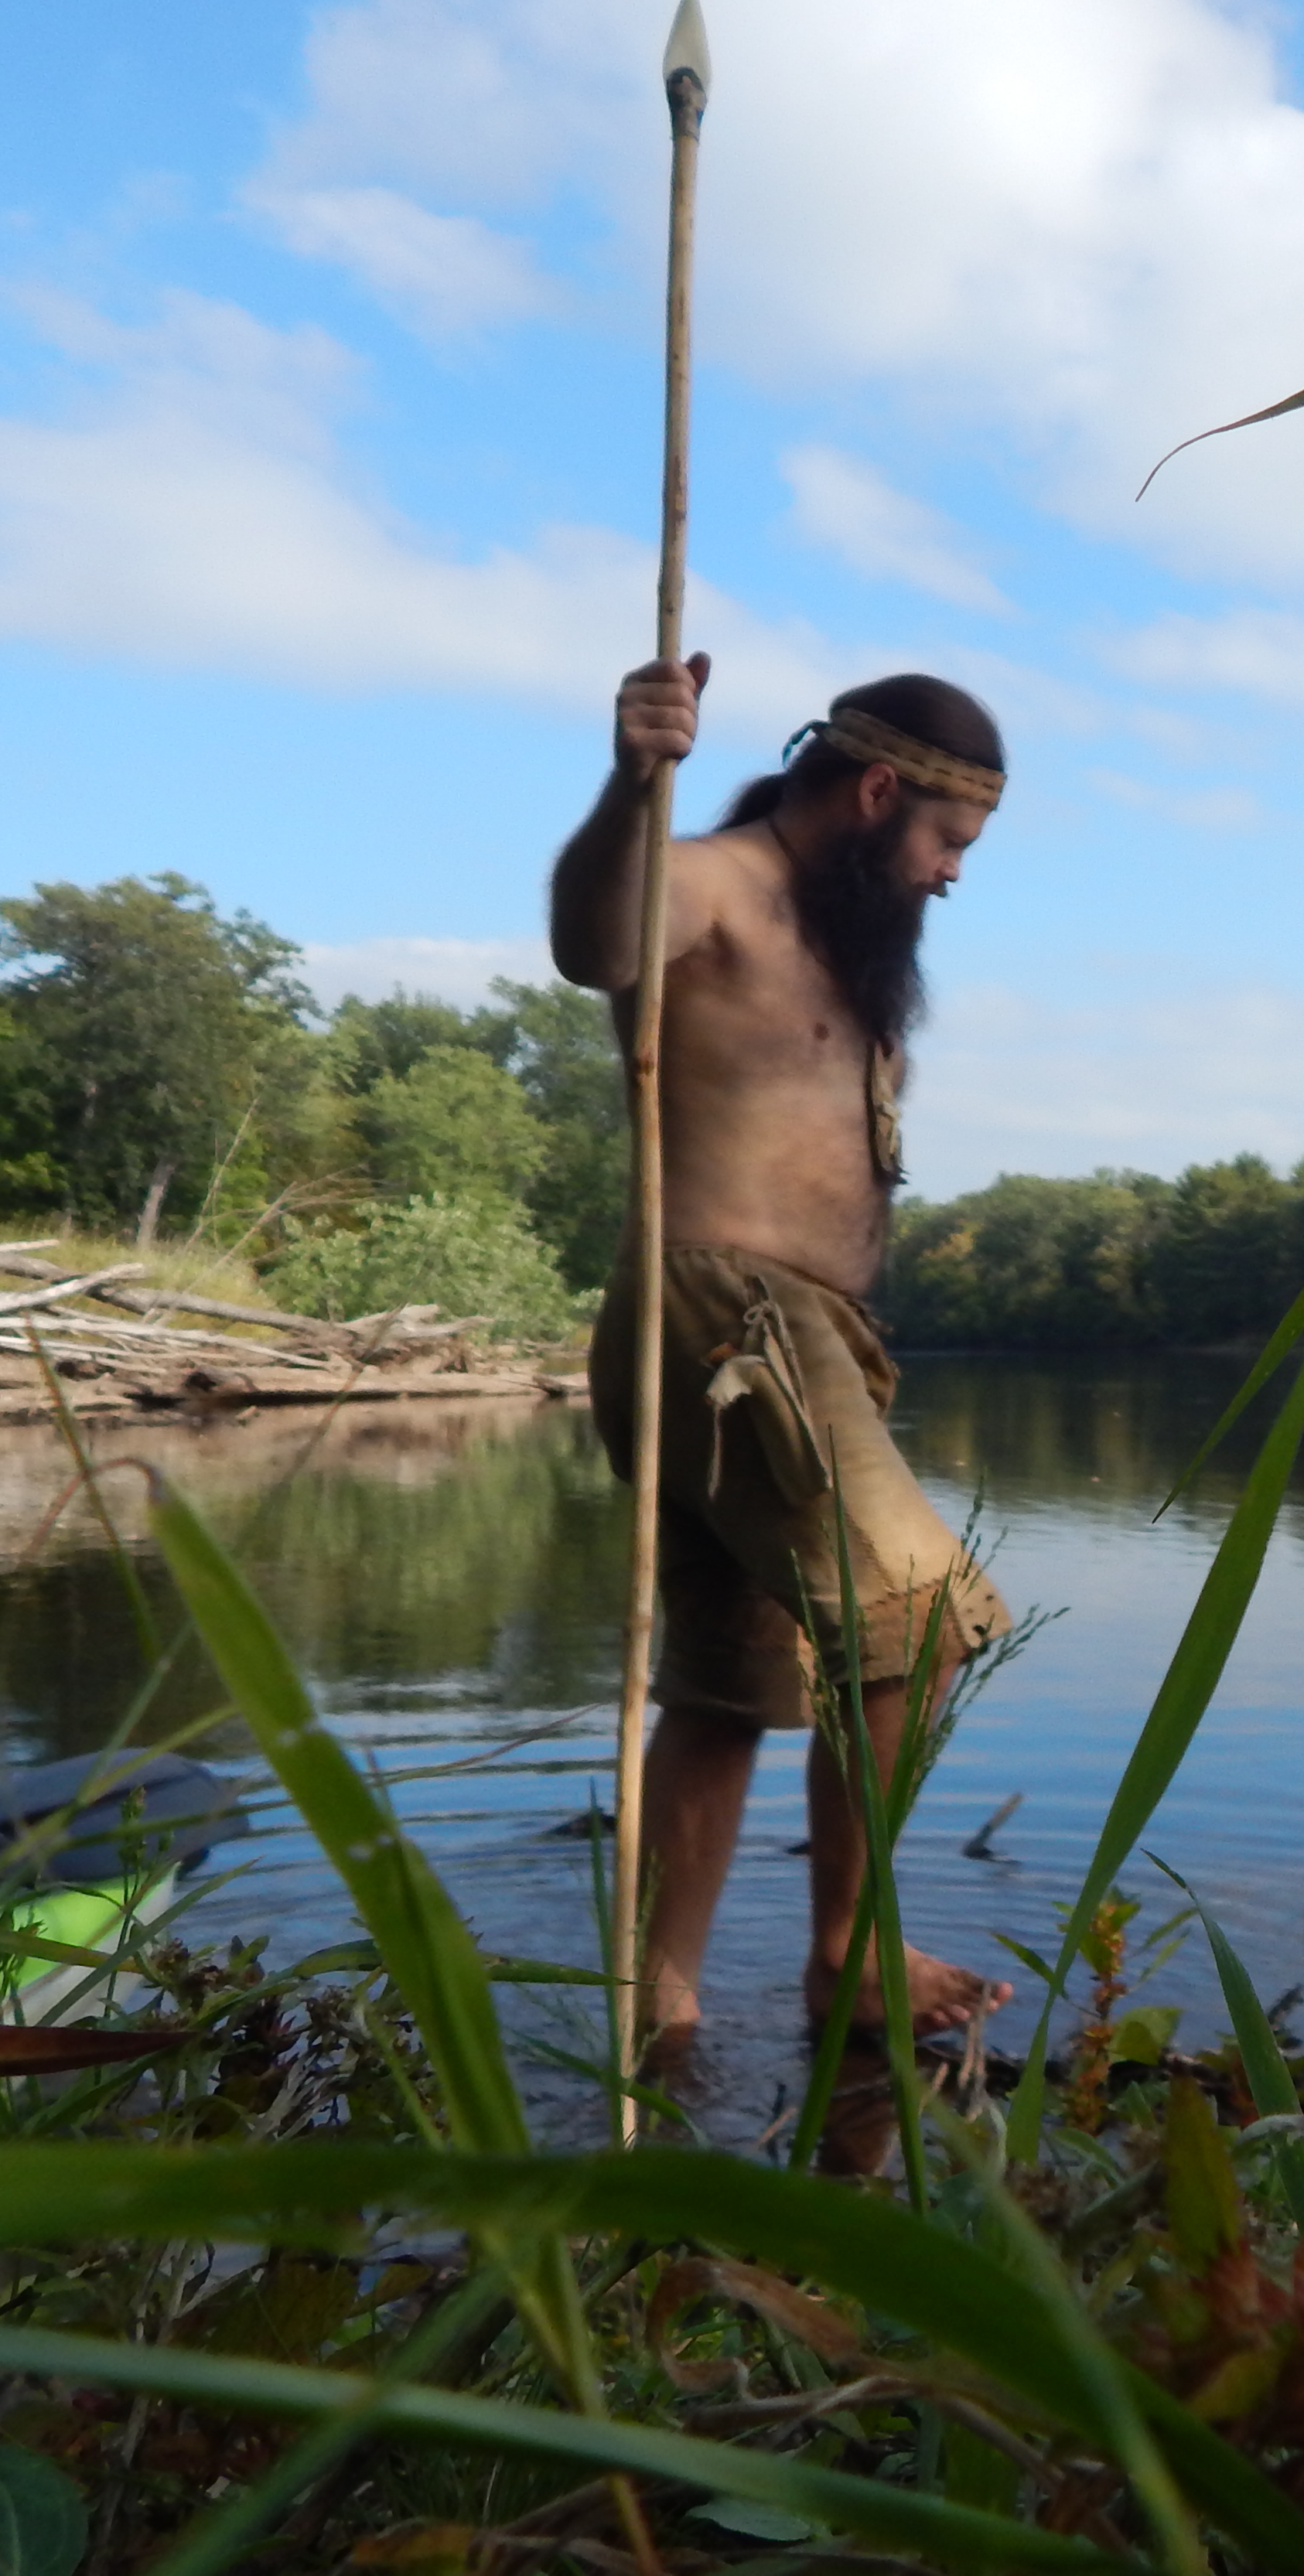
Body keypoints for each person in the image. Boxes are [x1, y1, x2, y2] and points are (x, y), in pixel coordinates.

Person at [550, 653, 1014, 2053]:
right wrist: (633, 784)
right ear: (879, 793)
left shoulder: (839, 933)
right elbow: (598, 943)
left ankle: (660, 2004)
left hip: (795, 1343)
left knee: (729, 1693)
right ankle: (849, 1955)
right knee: (918, 1627)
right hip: (729, 1321)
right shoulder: (716, 881)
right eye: (946, 841)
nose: (949, 876)